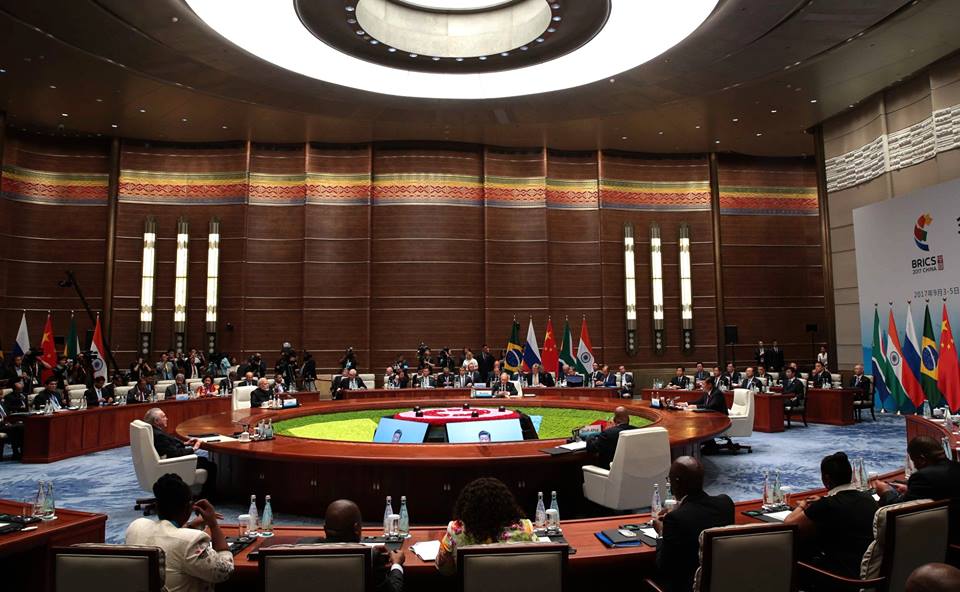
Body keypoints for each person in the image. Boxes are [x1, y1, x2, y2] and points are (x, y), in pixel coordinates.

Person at [125, 473, 233, 592]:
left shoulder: (136, 527)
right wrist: (213, 524)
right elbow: (225, 571)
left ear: (156, 506)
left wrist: (190, 525)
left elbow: (167, 536)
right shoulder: (191, 541)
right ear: (190, 507)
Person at [784, 451, 877, 578]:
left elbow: (789, 525)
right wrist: (822, 501)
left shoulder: (826, 505)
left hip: (840, 578)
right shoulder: (868, 498)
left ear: (826, 479)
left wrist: (803, 504)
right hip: (868, 571)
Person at [653, 456, 735, 592]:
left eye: (669, 480)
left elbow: (663, 566)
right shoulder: (725, 504)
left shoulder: (675, 519)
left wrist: (662, 531)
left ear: (676, 483)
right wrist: (680, 509)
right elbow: (698, 515)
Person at [435, 478, 537, 576]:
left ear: (467, 507)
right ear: (508, 505)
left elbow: (445, 569)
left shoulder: (455, 530)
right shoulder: (526, 528)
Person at [873, 435, 960, 542]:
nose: (915, 466)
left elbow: (900, 510)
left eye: (914, 461)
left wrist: (885, 492)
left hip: (943, 538)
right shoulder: (956, 466)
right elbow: (938, 490)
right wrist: (909, 490)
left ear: (922, 459)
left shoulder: (922, 476)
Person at [323, 499, 404, 592]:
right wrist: (397, 564)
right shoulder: (369, 558)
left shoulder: (308, 550)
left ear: (325, 529)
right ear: (356, 529)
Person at [144, 408, 217, 498]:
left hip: (165, 461)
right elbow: (175, 453)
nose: (166, 418)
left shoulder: (154, 431)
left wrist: (185, 443)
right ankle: (207, 497)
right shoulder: (159, 435)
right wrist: (194, 448)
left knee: (203, 460)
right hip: (173, 464)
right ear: (156, 421)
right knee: (210, 466)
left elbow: (168, 445)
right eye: (164, 417)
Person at [0, 395, 24, 459]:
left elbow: (8, 414)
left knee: (21, 426)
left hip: (7, 423)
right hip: (1, 425)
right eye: (0, 395)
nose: (2, 397)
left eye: (1, 395)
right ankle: (16, 452)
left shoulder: (2, 404)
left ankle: (21, 451)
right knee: (18, 428)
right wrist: (4, 422)